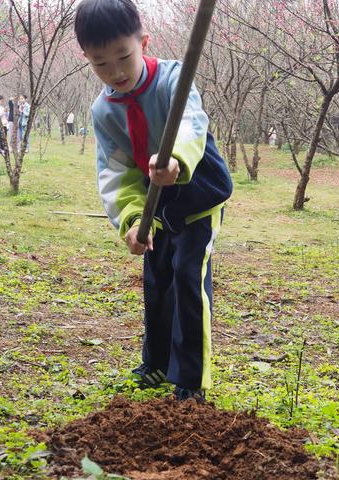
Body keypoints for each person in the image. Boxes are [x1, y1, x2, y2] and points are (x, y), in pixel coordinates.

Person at [75, 0, 232, 401]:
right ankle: (157, 363)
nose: (117, 72)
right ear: (86, 60)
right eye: (101, 64)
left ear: (144, 42)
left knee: (186, 278)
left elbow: (193, 123)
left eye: (124, 56)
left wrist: (175, 159)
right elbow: (115, 171)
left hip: (197, 194)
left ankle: (190, 381)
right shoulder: (103, 110)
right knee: (156, 281)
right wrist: (130, 220)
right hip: (154, 206)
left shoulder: (174, 79)